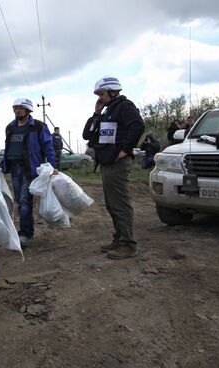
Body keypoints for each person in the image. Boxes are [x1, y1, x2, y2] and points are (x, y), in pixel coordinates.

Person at [82, 76, 145, 260]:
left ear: (112, 91)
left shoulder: (125, 106)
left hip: (118, 163)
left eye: (102, 94)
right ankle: (119, 238)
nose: (100, 98)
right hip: (107, 162)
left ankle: (128, 244)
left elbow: (138, 126)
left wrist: (125, 150)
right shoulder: (108, 111)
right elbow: (87, 134)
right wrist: (96, 113)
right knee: (111, 204)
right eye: (99, 95)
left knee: (120, 203)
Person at [0, 98, 56, 247]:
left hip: (30, 168)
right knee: (19, 201)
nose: (17, 110)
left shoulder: (37, 126)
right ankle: (26, 230)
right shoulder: (10, 127)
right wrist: (3, 164)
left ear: (28, 110)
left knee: (25, 201)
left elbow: (48, 146)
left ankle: (25, 234)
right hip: (15, 169)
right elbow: (8, 147)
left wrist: (53, 166)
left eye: (20, 108)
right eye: (15, 108)